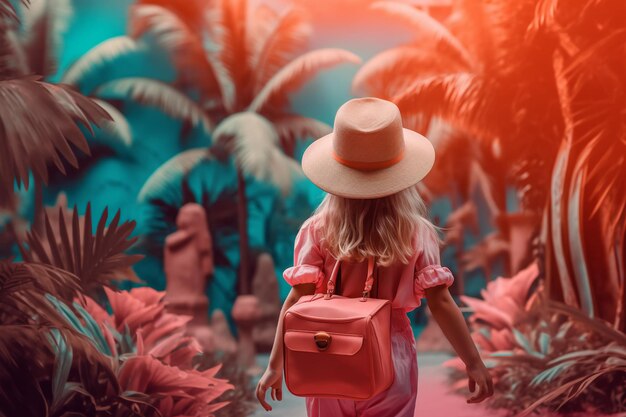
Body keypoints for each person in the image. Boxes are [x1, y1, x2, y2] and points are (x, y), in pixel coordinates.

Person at [256, 97, 493, 416]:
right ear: (400, 172)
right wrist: (474, 362)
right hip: (390, 358)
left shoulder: (316, 230)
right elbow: (441, 302)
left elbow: (297, 300)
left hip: (326, 350)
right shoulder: (416, 232)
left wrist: (275, 365)